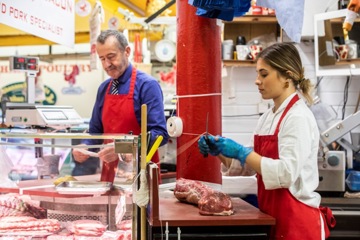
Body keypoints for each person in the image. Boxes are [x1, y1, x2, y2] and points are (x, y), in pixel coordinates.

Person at [198, 42, 335, 239]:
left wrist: (241, 151)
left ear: (287, 76)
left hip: (298, 222)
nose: (257, 81)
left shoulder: (297, 117)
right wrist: (220, 152)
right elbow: (251, 166)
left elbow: (286, 173)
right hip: (273, 217)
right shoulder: (268, 117)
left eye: (264, 74)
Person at [72, 29, 169, 181]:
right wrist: (85, 146)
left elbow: (160, 134)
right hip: (109, 175)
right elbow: (95, 132)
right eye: (102, 59)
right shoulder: (104, 89)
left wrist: (121, 149)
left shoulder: (147, 85)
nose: (107, 64)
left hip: (140, 175)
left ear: (127, 51)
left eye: (111, 57)